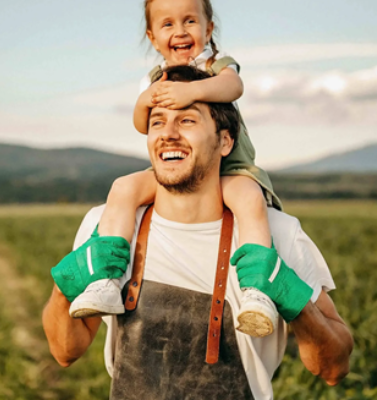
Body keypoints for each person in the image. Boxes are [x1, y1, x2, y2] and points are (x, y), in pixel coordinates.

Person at [43, 65, 353, 400]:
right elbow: (65, 351)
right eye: (157, 122)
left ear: (224, 141)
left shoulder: (275, 233)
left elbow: (334, 368)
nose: (168, 133)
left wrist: (295, 300)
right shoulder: (107, 227)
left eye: (187, 120)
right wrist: (66, 287)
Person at [63, 0, 283, 338]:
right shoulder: (155, 80)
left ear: (209, 30)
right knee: (123, 188)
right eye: (167, 25)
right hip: (180, 167)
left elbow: (233, 87)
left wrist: (189, 92)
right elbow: (140, 123)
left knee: (249, 198)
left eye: (190, 21)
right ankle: (105, 279)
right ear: (153, 38)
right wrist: (148, 99)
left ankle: (257, 291)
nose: (179, 31)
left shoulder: (215, 65)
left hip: (231, 170)